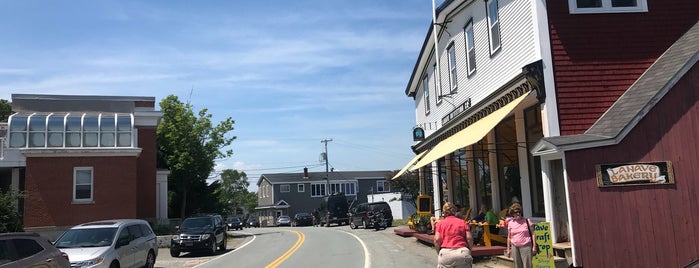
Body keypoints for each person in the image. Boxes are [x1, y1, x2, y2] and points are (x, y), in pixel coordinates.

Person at [434, 202, 473, 268]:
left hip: (445, 253)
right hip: (462, 252)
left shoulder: (440, 224)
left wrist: (439, 252)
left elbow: (437, 240)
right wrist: (469, 250)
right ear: (454, 211)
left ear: (444, 212)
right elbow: (469, 238)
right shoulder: (462, 222)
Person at [505, 203, 536, 268]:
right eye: (516, 212)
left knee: (527, 265)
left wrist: (534, 247)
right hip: (514, 247)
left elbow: (533, 234)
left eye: (519, 212)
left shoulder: (527, 221)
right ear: (512, 213)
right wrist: (508, 249)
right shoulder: (510, 223)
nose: (518, 214)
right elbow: (509, 237)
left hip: (526, 246)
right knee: (517, 265)